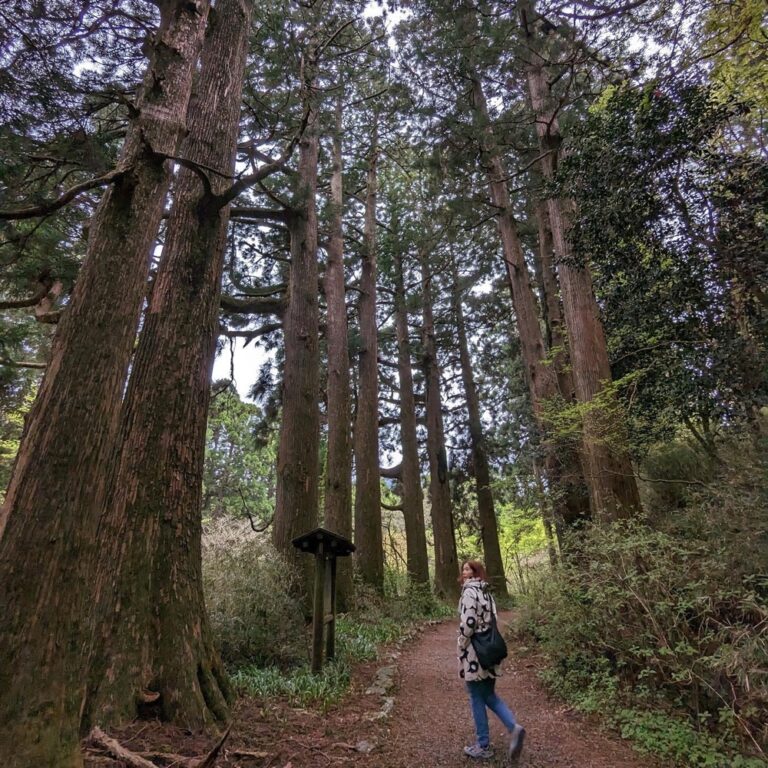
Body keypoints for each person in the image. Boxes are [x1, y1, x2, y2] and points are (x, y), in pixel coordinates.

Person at [458, 560, 525, 761]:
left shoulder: (470, 592)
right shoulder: (487, 592)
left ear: (475, 572)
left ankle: (483, 745)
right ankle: (514, 728)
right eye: (463, 569)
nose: (464, 572)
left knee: (476, 696)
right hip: (490, 649)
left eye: (468, 569)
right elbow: (493, 618)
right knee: (488, 694)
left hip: (475, 653)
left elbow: (468, 624)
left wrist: (462, 642)